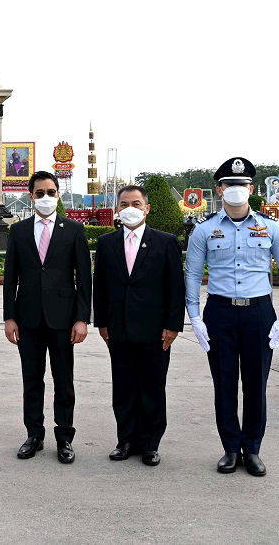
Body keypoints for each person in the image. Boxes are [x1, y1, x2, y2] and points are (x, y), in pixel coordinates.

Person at [184, 157, 279, 477]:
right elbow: (192, 275)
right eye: (230, 185)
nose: (236, 190)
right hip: (220, 312)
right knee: (224, 384)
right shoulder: (204, 230)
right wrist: (194, 317)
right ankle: (230, 448)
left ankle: (252, 448)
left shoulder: (271, 227)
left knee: (255, 385)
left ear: (251, 188)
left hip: (258, 312)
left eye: (242, 185)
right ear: (220, 189)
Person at [2, 170, 92, 463]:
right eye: (39, 193)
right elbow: (10, 276)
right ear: (31, 197)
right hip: (27, 319)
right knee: (32, 379)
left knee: (64, 380)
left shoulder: (74, 230)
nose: (45, 197)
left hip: (63, 320)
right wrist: (9, 317)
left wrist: (82, 318)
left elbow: (84, 279)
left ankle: (64, 438)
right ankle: (34, 435)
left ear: (58, 194)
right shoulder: (19, 231)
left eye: (51, 192)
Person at [93, 185, 184, 466]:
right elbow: (101, 286)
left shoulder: (166, 242)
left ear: (147, 208)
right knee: (123, 387)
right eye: (123, 203)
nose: (129, 207)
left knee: (152, 387)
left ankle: (150, 443)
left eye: (135, 202)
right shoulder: (107, 243)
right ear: (117, 209)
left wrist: (173, 326)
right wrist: (102, 323)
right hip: (118, 329)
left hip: (155, 330)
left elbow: (175, 288)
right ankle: (126, 440)